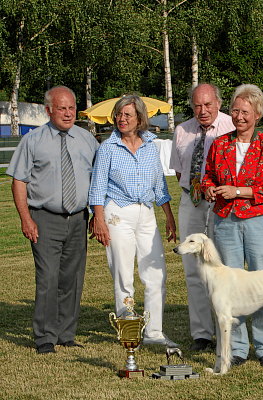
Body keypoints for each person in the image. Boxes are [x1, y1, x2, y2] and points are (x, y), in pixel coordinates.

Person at [7, 86, 99, 354]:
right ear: (48, 110)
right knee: (48, 278)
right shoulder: (33, 140)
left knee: (72, 277)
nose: (68, 113)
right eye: (62, 108)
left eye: (71, 108)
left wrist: (97, 215)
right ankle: (45, 337)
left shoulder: (87, 139)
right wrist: (26, 219)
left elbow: (98, 179)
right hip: (44, 218)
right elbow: (19, 181)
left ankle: (66, 334)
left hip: (79, 218)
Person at [201, 84, 263, 367]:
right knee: (229, 289)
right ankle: (237, 348)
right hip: (226, 222)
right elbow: (208, 178)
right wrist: (211, 189)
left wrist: (237, 191)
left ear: (258, 114)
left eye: (245, 112)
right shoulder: (219, 144)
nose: (239, 117)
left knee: (262, 285)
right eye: (235, 110)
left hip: (259, 221)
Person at [89, 94, 179, 347]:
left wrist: (169, 216)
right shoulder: (108, 148)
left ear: (140, 118)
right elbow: (97, 186)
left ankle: (154, 332)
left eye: (127, 114)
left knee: (156, 274)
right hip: (117, 213)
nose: (121, 119)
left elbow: (160, 185)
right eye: (118, 114)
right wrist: (98, 218)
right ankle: (128, 331)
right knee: (123, 274)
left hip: (146, 213)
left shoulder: (152, 145)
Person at [169, 83, 235, 351]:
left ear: (218, 104)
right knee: (194, 270)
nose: (203, 110)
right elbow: (178, 170)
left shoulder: (233, 126)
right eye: (197, 105)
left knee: (223, 267)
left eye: (208, 105)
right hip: (191, 202)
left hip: (221, 202)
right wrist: (194, 193)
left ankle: (228, 332)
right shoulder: (182, 130)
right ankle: (202, 334)